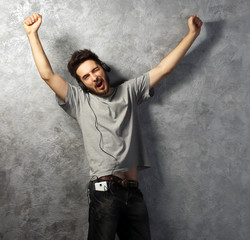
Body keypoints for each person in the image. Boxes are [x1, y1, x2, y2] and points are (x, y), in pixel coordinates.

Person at [23, 12, 202, 240]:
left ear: (103, 68)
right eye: (85, 77)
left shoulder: (130, 90)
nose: (93, 77)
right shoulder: (80, 101)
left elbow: (163, 68)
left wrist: (193, 34)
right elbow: (48, 75)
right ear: (82, 84)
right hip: (104, 193)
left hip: (133, 193)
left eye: (95, 70)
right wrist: (32, 34)